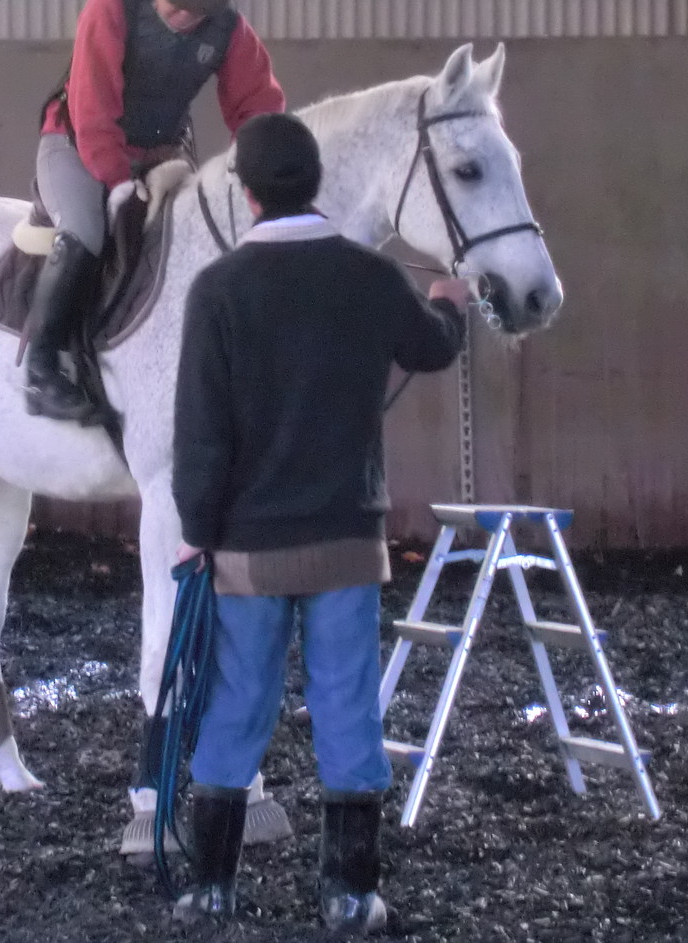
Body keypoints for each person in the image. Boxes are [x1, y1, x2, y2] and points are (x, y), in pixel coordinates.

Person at [168, 112, 471, 935]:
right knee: (346, 706)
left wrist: (197, 525)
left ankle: (213, 887)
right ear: (316, 184)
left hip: (247, 550)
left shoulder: (218, 290)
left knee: (235, 703)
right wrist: (449, 302)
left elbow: (200, 430)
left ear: (248, 191)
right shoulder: (368, 279)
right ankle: (348, 891)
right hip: (345, 541)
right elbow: (432, 347)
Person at [25, 0, 285, 424]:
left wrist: (268, 186)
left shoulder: (228, 28)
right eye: (179, 5)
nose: (189, 18)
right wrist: (117, 182)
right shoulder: (111, 5)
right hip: (76, 144)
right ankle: (41, 368)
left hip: (161, 152)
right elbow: (93, 108)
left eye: (201, 10)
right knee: (86, 233)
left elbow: (258, 108)